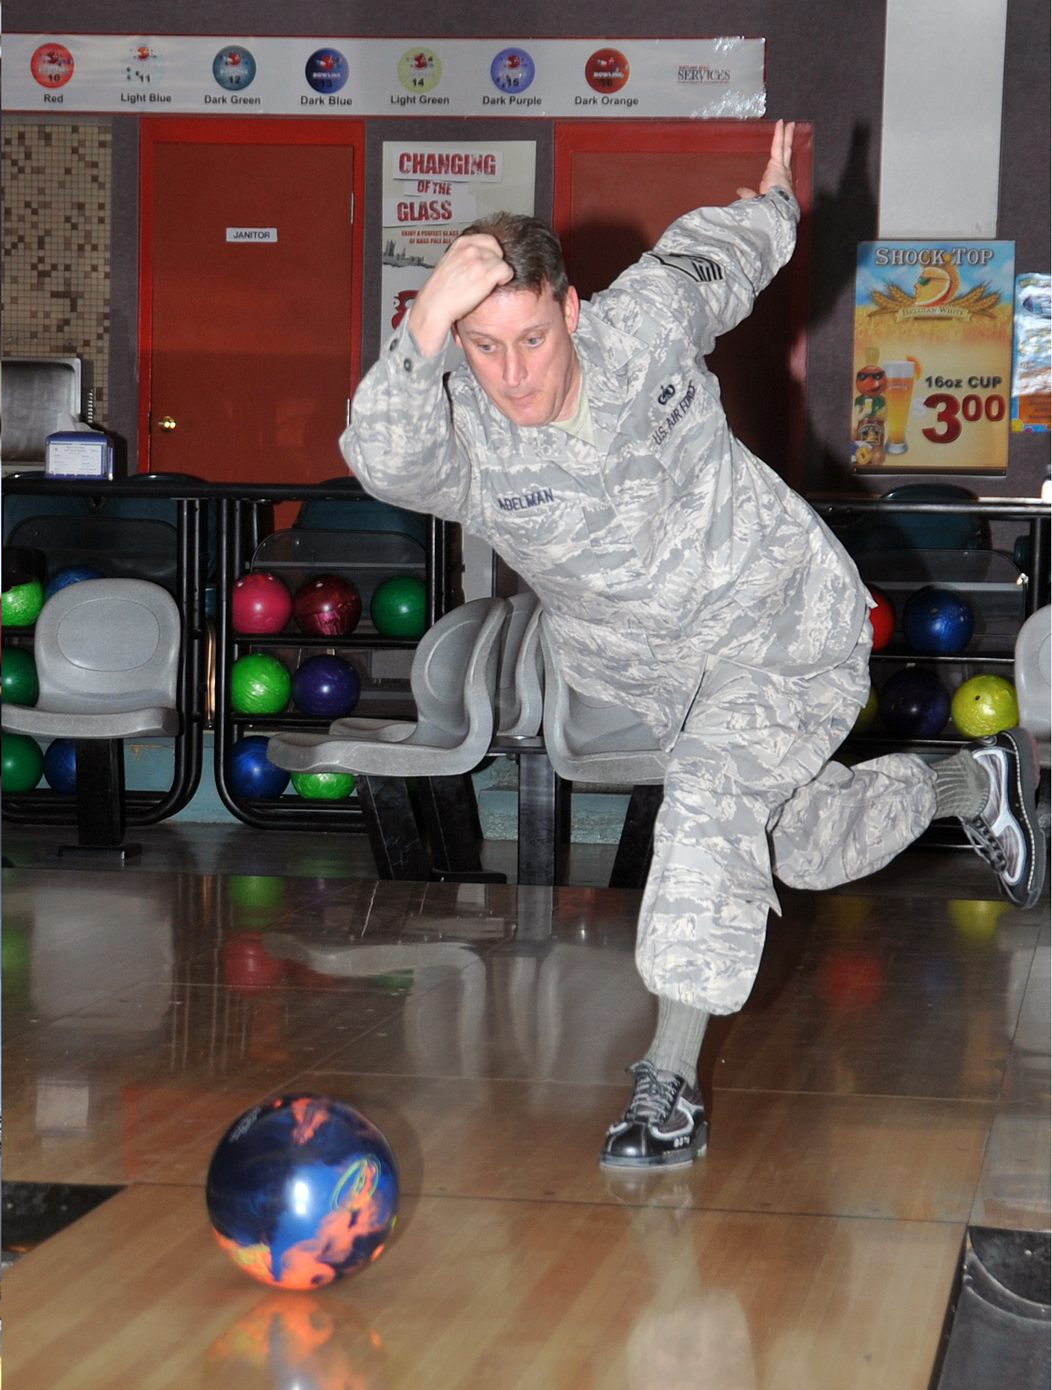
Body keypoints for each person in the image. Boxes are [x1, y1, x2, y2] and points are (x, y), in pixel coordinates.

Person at [344, 120, 1042, 1171]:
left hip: (784, 621)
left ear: (571, 312)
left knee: (713, 791)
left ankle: (667, 1083)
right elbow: (380, 456)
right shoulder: (467, 444)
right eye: (483, 347)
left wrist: (774, 203)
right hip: (664, 677)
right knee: (799, 846)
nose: (514, 373)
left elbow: (714, 261)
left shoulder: (640, 329)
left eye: (531, 338)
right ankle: (970, 785)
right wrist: (429, 314)